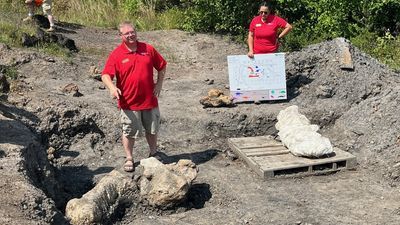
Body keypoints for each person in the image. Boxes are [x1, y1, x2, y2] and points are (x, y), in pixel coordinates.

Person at [101, 21, 167, 172]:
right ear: (121, 36)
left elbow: (162, 66)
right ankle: (129, 157)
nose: (131, 35)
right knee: (129, 131)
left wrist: (159, 84)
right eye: (127, 33)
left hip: (149, 99)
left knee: (152, 129)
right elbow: (105, 75)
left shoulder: (148, 49)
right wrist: (112, 87)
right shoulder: (117, 54)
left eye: (132, 32)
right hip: (129, 102)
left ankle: (153, 152)